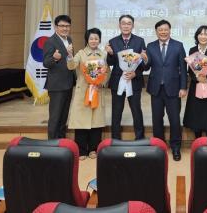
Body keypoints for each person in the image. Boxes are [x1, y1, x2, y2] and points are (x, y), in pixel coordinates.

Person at [144, 19, 187, 161]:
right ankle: (159, 147)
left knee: (174, 120)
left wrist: (183, 87)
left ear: (170, 30)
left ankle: (176, 147)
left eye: (165, 29)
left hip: (173, 88)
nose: (163, 32)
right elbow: (146, 67)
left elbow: (183, 68)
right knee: (157, 119)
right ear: (156, 32)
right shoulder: (150, 46)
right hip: (156, 89)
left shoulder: (178, 46)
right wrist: (144, 60)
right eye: (160, 30)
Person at [67, 28, 110, 159]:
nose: (93, 41)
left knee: (96, 121)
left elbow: (107, 71)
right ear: (87, 40)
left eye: (96, 38)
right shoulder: (81, 53)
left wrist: (102, 83)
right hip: (83, 91)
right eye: (91, 38)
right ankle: (81, 150)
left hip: (97, 90)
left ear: (99, 40)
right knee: (81, 121)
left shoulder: (103, 54)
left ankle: (93, 149)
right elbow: (71, 66)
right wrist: (69, 56)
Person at [105, 14, 146, 140]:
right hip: (118, 80)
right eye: (124, 23)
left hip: (134, 81)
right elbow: (111, 63)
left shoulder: (140, 41)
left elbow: (143, 63)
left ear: (133, 26)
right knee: (116, 111)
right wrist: (110, 54)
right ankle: (115, 138)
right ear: (119, 25)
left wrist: (135, 73)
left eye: (129, 23)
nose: (126, 26)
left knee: (136, 110)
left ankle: (140, 138)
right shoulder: (113, 41)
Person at [43, 14, 76, 139]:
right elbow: (46, 63)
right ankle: (52, 144)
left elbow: (70, 59)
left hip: (68, 83)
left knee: (64, 116)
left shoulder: (69, 39)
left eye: (67, 26)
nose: (65, 28)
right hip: (56, 85)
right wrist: (54, 58)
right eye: (62, 26)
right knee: (55, 117)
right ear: (56, 27)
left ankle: (61, 142)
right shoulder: (50, 41)